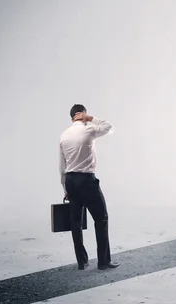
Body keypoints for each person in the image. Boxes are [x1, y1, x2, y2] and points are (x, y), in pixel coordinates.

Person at [59, 104, 120, 271]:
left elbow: (62, 165)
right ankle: (103, 261)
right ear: (82, 115)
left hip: (71, 180)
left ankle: (82, 262)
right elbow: (110, 127)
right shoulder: (89, 129)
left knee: (76, 222)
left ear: (71, 116)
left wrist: (65, 187)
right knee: (101, 219)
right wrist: (91, 118)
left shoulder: (64, 135)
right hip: (87, 180)